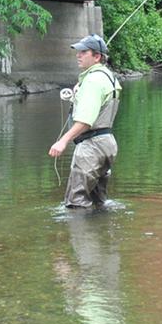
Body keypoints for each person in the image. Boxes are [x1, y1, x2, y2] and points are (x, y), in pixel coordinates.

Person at [49, 34, 121, 208]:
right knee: (99, 202)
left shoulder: (93, 80)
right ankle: (104, 232)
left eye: (83, 52)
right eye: (78, 51)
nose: (78, 55)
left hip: (91, 146)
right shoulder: (109, 77)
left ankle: (82, 235)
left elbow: (86, 121)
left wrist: (63, 141)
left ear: (97, 56)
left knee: (76, 202)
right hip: (107, 144)